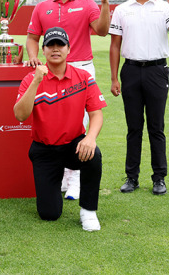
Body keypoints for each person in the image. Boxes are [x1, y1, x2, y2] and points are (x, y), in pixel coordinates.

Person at [26, 0, 110, 200]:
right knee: (54, 124)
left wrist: (104, 3)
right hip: (50, 69)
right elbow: (33, 38)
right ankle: (60, 174)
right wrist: (33, 58)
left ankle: (76, 178)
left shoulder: (87, 4)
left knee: (78, 127)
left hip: (81, 68)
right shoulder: (42, 7)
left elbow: (102, 30)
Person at [14, 27, 106, 231]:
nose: (55, 49)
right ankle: (56, 189)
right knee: (49, 214)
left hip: (74, 144)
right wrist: (37, 81)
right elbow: (20, 115)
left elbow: (96, 113)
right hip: (44, 149)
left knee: (93, 155)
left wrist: (90, 137)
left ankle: (88, 211)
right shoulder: (31, 79)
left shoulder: (83, 76)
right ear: (43, 50)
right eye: (50, 45)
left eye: (60, 45)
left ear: (68, 49)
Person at [109, 0, 169, 196]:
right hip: (130, 70)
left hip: (156, 71)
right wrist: (114, 78)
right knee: (133, 128)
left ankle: (159, 177)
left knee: (156, 127)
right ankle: (131, 177)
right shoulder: (122, 9)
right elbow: (114, 46)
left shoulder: (164, 7)